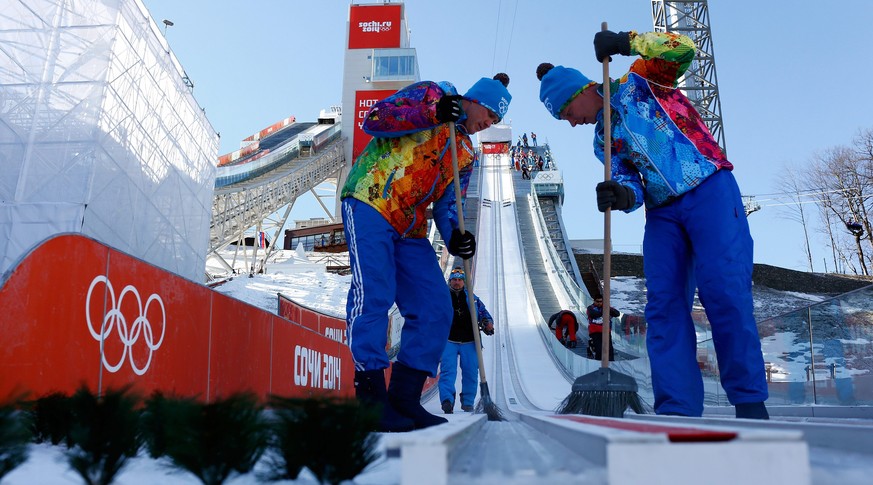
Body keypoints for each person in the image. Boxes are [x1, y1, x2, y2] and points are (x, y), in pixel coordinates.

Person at [536, 29, 769, 420]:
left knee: (724, 291)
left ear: (580, 91)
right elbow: (628, 179)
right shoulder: (602, 140)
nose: (570, 122)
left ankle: (749, 402)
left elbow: (682, 48)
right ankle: (677, 407)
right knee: (663, 307)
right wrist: (623, 195)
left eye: (566, 112)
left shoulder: (643, 80)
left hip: (708, 186)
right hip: (663, 214)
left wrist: (627, 42)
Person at [341, 73, 511, 431]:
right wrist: (432, 113)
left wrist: (455, 237)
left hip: (410, 226)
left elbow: (451, 207)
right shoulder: (434, 93)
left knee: (436, 305)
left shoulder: (465, 153)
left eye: (495, 122)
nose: (488, 124)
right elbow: (377, 119)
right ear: (473, 99)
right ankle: (370, 397)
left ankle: (404, 397)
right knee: (375, 291)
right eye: (489, 116)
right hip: (373, 199)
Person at [439, 267, 494, 414]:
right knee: (447, 371)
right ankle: (447, 401)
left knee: (470, 371)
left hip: (470, 340)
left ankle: (468, 401)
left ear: (464, 282)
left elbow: (484, 313)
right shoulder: (442, 296)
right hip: (449, 339)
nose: (457, 283)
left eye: (459, 280)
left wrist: (487, 323)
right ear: (449, 280)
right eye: (454, 280)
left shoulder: (473, 298)